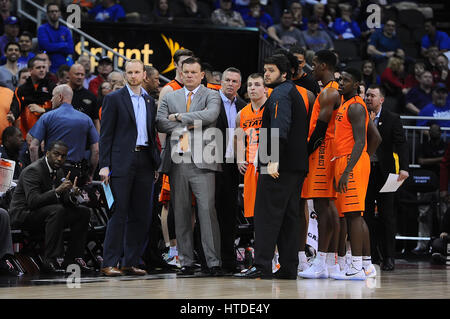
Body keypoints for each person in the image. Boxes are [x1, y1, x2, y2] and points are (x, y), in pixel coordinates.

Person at [236, 54, 309, 279]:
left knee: (266, 214)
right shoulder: (292, 92)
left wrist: (272, 160)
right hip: (295, 165)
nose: (266, 74)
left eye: (271, 70)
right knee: (289, 217)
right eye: (265, 70)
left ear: (284, 74)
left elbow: (280, 127)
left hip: (277, 163)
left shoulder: (280, 93)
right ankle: (288, 268)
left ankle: (261, 265)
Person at [156, 57, 222, 276]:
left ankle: (213, 262)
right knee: (181, 212)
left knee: (207, 211)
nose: (190, 75)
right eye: (187, 72)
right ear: (181, 73)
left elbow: (211, 115)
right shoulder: (170, 95)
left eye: (195, 72)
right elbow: (160, 122)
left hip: (204, 160)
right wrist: (193, 122)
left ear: (202, 74)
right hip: (177, 161)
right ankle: (186, 262)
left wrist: (179, 117)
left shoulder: (212, 94)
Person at [99, 59, 160, 277]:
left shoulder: (149, 101)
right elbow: (105, 135)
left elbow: (151, 134)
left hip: (145, 159)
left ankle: (130, 261)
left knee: (141, 214)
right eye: (129, 72)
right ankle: (109, 262)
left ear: (144, 74)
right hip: (121, 161)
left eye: (137, 72)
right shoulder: (114, 99)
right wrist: (104, 165)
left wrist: (155, 162)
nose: (133, 76)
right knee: (119, 212)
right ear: (125, 75)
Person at [8, 140, 92, 274]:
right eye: (56, 154)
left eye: (63, 156)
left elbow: (63, 199)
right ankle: (51, 261)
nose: (59, 158)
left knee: (83, 212)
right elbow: (33, 201)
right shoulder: (33, 170)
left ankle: (73, 259)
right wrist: (58, 191)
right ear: (47, 153)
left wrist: (72, 195)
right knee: (57, 210)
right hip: (23, 215)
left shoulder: (58, 171)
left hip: (46, 214)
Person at [333, 68, 381, 280]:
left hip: (350, 163)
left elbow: (362, 140)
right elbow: (376, 137)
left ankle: (355, 267)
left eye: (346, 80)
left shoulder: (355, 107)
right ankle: (367, 265)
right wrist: (365, 159)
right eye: (340, 79)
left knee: (353, 216)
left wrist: (351, 168)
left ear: (357, 85)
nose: (341, 83)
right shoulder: (348, 104)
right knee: (356, 216)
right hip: (353, 161)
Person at [299, 50, 342, 279]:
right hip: (327, 152)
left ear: (324, 66)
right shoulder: (330, 90)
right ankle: (329, 261)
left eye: (314, 64)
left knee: (322, 207)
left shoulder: (329, 92)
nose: (311, 69)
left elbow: (319, 132)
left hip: (323, 152)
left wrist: (303, 153)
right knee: (328, 207)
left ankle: (322, 261)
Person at [364, 84, 409, 271]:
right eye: (366, 95)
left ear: (381, 99)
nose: (368, 98)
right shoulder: (361, 115)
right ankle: (371, 255)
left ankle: (389, 257)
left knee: (387, 215)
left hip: (387, 173)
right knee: (365, 215)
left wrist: (404, 169)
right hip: (366, 171)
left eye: (372, 96)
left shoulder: (392, 118)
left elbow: (402, 144)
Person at [28, 84, 99, 187]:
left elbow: (33, 147)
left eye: (53, 96)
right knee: (73, 202)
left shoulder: (47, 117)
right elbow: (96, 150)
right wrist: (90, 174)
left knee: (50, 201)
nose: (51, 100)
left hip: (51, 172)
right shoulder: (86, 119)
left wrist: (36, 171)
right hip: (76, 173)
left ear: (60, 97)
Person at [215, 67, 246, 274]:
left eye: (235, 81)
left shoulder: (244, 107)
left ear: (239, 85)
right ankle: (209, 260)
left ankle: (228, 260)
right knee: (208, 213)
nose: (230, 84)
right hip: (210, 163)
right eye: (227, 80)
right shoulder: (210, 101)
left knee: (229, 213)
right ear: (221, 81)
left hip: (234, 165)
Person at [235, 73, 267, 220]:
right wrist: (240, 159)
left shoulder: (273, 108)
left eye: (257, 85)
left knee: (270, 211)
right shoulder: (241, 114)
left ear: (265, 89)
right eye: (249, 85)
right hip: (251, 166)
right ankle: (259, 242)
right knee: (254, 212)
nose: (252, 88)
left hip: (269, 164)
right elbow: (239, 138)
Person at [9, 57, 56, 139]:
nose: (42, 70)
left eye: (43, 67)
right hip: (27, 135)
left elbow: (61, 109)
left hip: (48, 135)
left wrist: (44, 110)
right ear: (30, 70)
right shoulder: (21, 89)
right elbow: (16, 107)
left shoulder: (53, 87)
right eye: (38, 68)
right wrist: (13, 116)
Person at [37, 3, 74, 74]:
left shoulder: (65, 30)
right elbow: (45, 46)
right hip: (47, 68)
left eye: (56, 11)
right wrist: (63, 45)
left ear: (60, 13)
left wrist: (53, 46)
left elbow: (70, 48)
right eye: (52, 11)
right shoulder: (42, 29)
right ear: (47, 14)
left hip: (63, 68)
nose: (54, 13)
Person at [67, 64, 100, 132]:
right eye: (77, 74)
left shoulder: (90, 96)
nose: (80, 77)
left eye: (82, 75)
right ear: (69, 74)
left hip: (84, 135)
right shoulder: (60, 92)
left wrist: (98, 139)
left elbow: (96, 120)